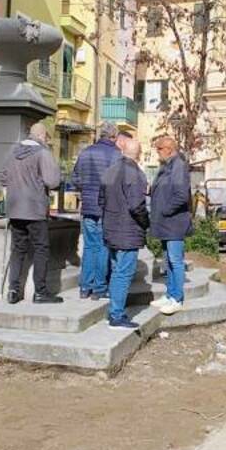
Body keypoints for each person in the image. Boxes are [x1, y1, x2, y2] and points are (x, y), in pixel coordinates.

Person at [1, 123, 62, 305]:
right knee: (41, 249)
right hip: (35, 209)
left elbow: (4, 179)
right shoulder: (42, 153)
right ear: (42, 136)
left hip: (15, 209)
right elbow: (52, 181)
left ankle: (13, 290)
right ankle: (40, 292)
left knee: (18, 250)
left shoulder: (12, 153)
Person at [99, 138, 149, 330]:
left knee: (115, 270)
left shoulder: (110, 170)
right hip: (127, 231)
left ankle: (114, 310)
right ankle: (116, 315)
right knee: (123, 273)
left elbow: (101, 200)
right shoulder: (135, 174)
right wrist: (146, 223)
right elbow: (137, 205)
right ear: (139, 154)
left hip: (111, 228)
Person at [71, 121, 122, 299]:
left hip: (87, 207)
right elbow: (118, 182)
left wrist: (86, 189)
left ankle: (85, 287)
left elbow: (75, 178)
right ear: (114, 136)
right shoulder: (116, 155)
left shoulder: (85, 152)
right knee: (102, 247)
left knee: (89, 247)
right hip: (105, 207)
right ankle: (99, 288)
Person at [149, 135, 191, 316]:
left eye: (159, 149)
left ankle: (177, 298)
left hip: (174, 223)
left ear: (169, 149)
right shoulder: (167, 166)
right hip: (166, 223)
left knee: (175, 261)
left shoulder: (178, 166)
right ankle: (169, 294)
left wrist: (165, 210)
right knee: (168, 261)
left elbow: (181, 195)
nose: (157, 153)